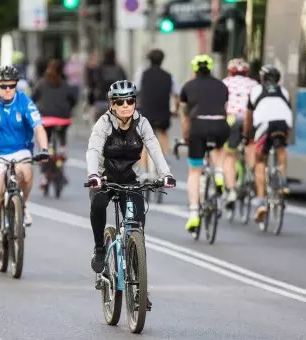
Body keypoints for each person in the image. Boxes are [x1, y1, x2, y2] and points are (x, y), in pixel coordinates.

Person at [86, 80, 176, 274]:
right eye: (119, 102)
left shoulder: (142, 123)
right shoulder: (103, 124)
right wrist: (93, 174)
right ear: (112, 104)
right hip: (104, 177)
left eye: (129, 101)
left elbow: (154, 147)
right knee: (98, 205)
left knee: (137, 222)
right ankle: (100, 249)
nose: (125, 105)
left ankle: (138, 282)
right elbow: (93, 149)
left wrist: (166, 174)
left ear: (135, 102)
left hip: (128, 178)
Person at [0, 64, 50, 262]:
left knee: (27, 172)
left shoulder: (24, 100)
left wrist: (44, 149)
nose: (8, 90)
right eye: (4, 86)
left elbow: (38, 127)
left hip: (19, 149)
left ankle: (22, 206)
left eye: (11, 86)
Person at [178, 55, 230, 234]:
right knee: (218, 147)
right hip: (220, 125)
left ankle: (193, 213)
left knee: (195, 170)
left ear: (195, 70)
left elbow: (185, 117)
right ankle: (219, 173)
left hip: (198, 126)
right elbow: (225, 108)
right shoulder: (222, 86)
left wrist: (186, 137)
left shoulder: (188, 86)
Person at [242, 65, 292, 222]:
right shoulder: (284, 91)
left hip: (264, 125)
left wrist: (247, 135)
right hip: (282, 124)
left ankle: (261, 200)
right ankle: (282, 178)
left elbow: (249, 117)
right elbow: (287, 112)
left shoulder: (256, 90)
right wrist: (287, 136)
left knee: (260, 160)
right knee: (281, 149)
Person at [135, 49, 181, 181]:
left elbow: (135, 90)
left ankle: (143, 171)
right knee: (163, 132)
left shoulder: (143, 75)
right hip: (163, 112)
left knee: (144, 140)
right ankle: (165, 159)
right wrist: (175, 110)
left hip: (146, 112)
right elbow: (177, 94)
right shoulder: (169, 76)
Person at [31, 59, 77, 190]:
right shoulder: (65, 84)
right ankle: (62, 150)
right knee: (62, 133)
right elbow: (73, 100)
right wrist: (68, 109)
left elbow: (32, 98)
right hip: (63, 118)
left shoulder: (41, 83)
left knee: (45, 145)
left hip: (46, 119)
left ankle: (45, 176)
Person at [221, 58, 258, 208]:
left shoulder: (225, 82)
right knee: (250, 146)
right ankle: (251, 174)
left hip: (232, 119)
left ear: (230, 71)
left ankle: (231, 190)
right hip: (251, 119)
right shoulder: (254, 84)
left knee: (229, 155)